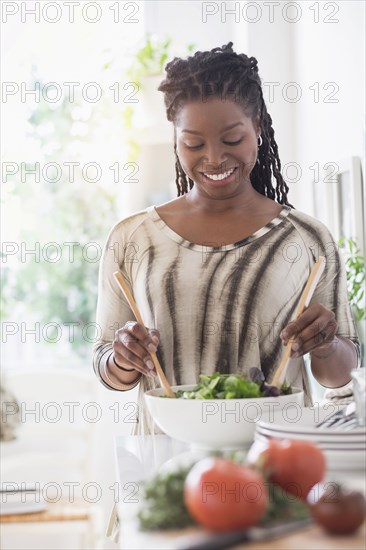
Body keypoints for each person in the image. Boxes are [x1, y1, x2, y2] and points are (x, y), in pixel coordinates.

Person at [93, 42, 360, 435]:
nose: (215, 158)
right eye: (194, 144)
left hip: (275, 462)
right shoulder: (134, 237)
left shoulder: (307, 240)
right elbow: (108, 370)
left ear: (257, 128)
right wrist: (121, 358)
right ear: (175, 140)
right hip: (168, 462)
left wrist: (326, 345)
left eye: (232, 139)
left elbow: (338, 377)